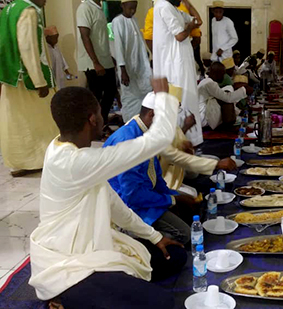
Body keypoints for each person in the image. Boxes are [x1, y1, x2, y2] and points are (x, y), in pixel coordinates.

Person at [29, 79, 186, 309]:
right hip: (68, 265)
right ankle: (63, 298)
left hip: (97, 245)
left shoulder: (69, 150)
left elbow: (114, 205)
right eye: (101, 113)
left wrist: (155, 237)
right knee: (161, 303)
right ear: (93, 119)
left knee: (175, 256)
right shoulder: (73, 162)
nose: (104, 118)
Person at [103, 94, 211, 244]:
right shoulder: (129, 142)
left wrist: (172, 197)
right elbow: (132, 196)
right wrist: (172, 199)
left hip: (146, 195)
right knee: (184, 235)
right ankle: (134, 237)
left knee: (191, 208)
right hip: (130, 207)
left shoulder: (146, 132)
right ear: (152, 114)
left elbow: (155, 177)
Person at [0, 0, 59, 177]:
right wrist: (39, 81)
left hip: (10, 76)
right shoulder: (28, 11)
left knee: (16, 122)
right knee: (43, 120)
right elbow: (27, 47)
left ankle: (20, 163)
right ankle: (42, 159)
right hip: (26, 77)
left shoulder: (9, 9)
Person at [153, 0, 203, 146]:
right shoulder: (163, 6)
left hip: (181, 63)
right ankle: (181, 140)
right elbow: (180, 35)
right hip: (173, 65)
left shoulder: (175, 9)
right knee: (181, 100)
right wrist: (189, 27)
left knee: (189, 98)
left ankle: (190, 140)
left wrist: (188, 5)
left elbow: (198, 21)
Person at [76, 0, 117, 127]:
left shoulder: (100, 8)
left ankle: (101, 123)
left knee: (111, 91)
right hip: (92, 62)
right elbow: (85, 36)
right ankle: (92, 127)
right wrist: (96, 62)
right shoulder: (84, 7)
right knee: (96, 96)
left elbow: (100, 37)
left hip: (104, 60)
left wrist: (108, 56)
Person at [112, 0, 152, 123]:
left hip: (140, 67)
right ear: (122, 6)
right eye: (130, 8)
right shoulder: (117, 21)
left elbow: (139, 43)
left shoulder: (134, 20)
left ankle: (143, 123)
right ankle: (129, 124)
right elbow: (118, 46)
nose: (133, 11)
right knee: (130, 98)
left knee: (145, 93)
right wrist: (123, 70)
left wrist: (147, 57)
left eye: (135, 8)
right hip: (126, 69)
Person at [198, 62, 251, 129]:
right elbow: (227, 98)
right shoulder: (209, 84)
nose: (223, 77)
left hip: (202, 115)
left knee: (226, 94)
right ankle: (228, 125)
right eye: (222, 74)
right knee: (227, 95)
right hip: (203, 118)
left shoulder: (206, 81)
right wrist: (244, 90)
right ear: (216, 74)